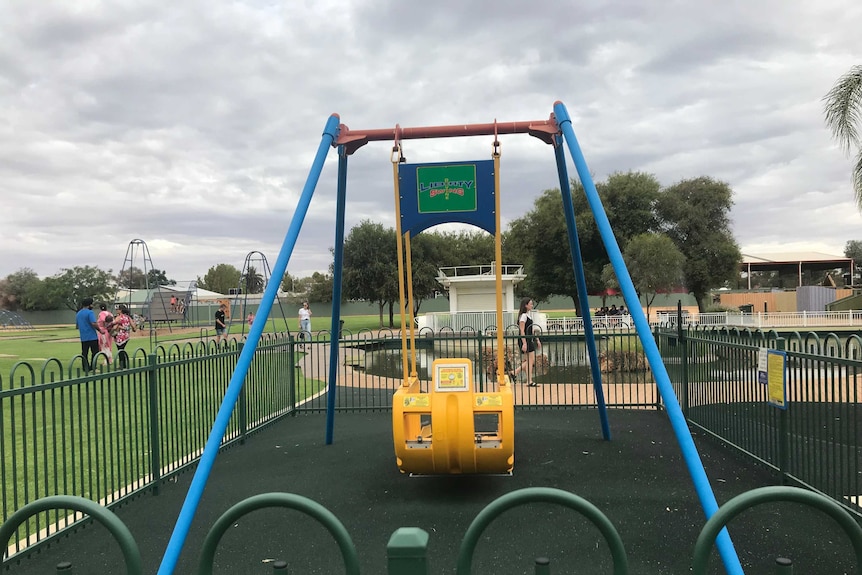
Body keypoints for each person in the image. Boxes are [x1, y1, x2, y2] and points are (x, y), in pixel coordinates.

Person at [511, 297, 541, 386]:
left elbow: (531, 329)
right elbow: (522, 330)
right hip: (525, 340)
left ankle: (515, 372)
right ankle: (529, 380)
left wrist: (537, 339)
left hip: (529, 339)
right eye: (530, 304)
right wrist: (524, 343)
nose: (532, 305)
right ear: (526, 305)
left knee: (530, 361)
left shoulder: (528, 315)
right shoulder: (523, 316)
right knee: (530, 361)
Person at [75, 297, 101, 371]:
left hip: (83, 337)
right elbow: (93, 323)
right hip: (92, 336)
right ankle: (93, 367)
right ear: (89, 305)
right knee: (95, 352)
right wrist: (99, 330)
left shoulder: (78, 314)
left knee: (84, 353)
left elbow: (77, 326)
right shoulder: (90, 312)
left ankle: (85, 367)